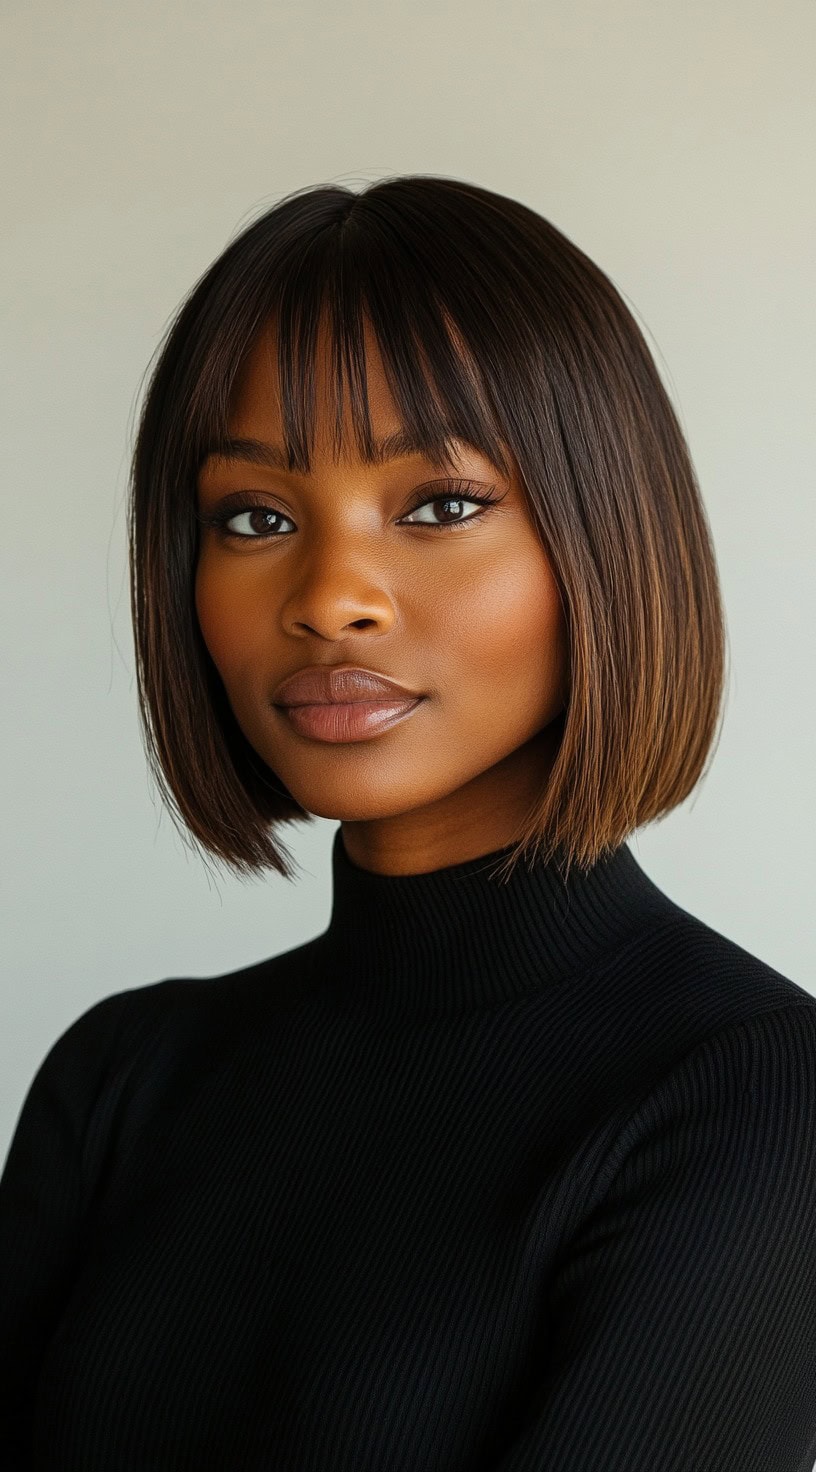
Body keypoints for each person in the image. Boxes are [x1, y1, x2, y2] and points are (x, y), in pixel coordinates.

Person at [1, 174, 814, 1471]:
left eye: (437, 505)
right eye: (255, 517)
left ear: (607, 537)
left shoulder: (757, 1097)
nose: (331, 597)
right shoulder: (122, 1080)